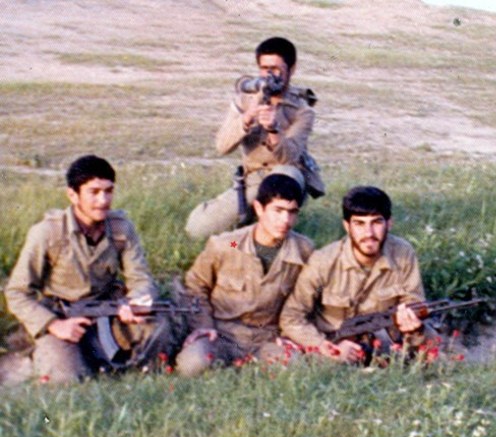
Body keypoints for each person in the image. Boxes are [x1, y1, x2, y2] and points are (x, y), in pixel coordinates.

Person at [4, 155, 174, 383]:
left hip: (107, 311)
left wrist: (136, 302)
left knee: (158, 327)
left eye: (108, 191)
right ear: (73, 195)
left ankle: (125, 368)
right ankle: (36, 360)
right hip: (62, 315)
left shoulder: (121, 228)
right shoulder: (47, 233)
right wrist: (54, 325)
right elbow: (16, 293)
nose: (103, 200)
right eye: (94, 192)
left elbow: (140, 278)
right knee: (66, 379)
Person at [176, 170, 314, 375]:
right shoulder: (229, 245)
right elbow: (196, 286)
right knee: (193, 364)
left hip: (267, 338)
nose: (285, 220)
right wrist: (203, 325)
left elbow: (306, 301)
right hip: (222, 334)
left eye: (292, 212)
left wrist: (289, 335)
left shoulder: (303, 250)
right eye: (278, 210)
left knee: (296, 368)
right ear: (259, 208)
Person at [185, 36, 324, 239]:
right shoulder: (245, 101)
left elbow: (289, 157)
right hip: (253, 179)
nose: (269, 75)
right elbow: (222, 146)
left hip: (288, 177)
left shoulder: (302, 111)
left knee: (283, 178)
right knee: (198, 230)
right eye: (264, 68)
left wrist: (274, 130)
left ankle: (277, 236)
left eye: (276, 69)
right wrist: (247, 118)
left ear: (292, 69)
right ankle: (238, 241)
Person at [279, 186, 424, 363]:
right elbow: (291, 317)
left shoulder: (402, 253)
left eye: (376, 222)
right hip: (333, 340)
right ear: (347, 226)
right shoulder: (323, 261)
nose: (369, 233)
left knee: (433, 345)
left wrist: (411, 322)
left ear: (389, 223)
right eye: (359, 224)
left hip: (384, 336)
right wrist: (325, 346)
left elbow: (413, 302)